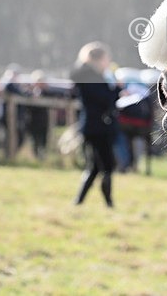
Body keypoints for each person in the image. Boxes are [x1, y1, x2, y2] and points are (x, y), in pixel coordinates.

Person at [71, 41, 122, 207]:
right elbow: (105, 99)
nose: (108, 63)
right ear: (98, 59)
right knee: (107, 165)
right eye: (106, 59)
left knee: (94, 167)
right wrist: (117, 90)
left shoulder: (91, 76)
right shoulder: (90, 77)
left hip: (95, 126)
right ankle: (109, 203)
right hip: (97, 127)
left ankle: (79, 201)